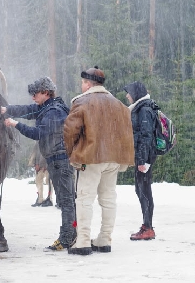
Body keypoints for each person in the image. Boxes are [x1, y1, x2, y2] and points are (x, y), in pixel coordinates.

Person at [63, 66, 134, 255]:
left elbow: (70, 131)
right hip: (113, 158)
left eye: (83, 82)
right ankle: (104, 238)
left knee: (85, 199)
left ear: (88, 83)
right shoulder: (119, 105)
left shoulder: (82, 102)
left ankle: (83, 241)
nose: (81, 85)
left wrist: (73, 153)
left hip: (91, 157)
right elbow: (127, 133)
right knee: (109, 199)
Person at [1, 76, 76, 251]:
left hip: (60, 160)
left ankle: (67, 238)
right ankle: (71, 233)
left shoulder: (54, 111)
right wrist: (7, 110)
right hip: (55, 159)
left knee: (66, 201)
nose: (33, 97)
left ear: (46, 93)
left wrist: (15, 124)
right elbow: (27, 109)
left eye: (35, 93)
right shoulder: (46, 108)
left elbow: (38, 133)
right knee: (67, 200)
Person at [123, 80, 158, 241]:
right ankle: (147, 225)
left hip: (145, 157)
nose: (127, 95)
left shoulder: (144, 109)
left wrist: (143, 160)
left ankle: (148, 227)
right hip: (143, 156)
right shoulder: (141, 108)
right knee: (141, 189)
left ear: (136, 93)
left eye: (129, 92)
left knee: (143, 190)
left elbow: (146, 136)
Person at [28, 143, 54, 207]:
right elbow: (36, 153)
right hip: (39, 166)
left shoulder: (50, 141)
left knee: (49, 182)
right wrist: (36, 164)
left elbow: (50, 154)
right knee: (38, 182)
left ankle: (49, 198)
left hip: (49, 165)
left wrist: (47, 166)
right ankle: (40, 199)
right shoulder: (38, 143)